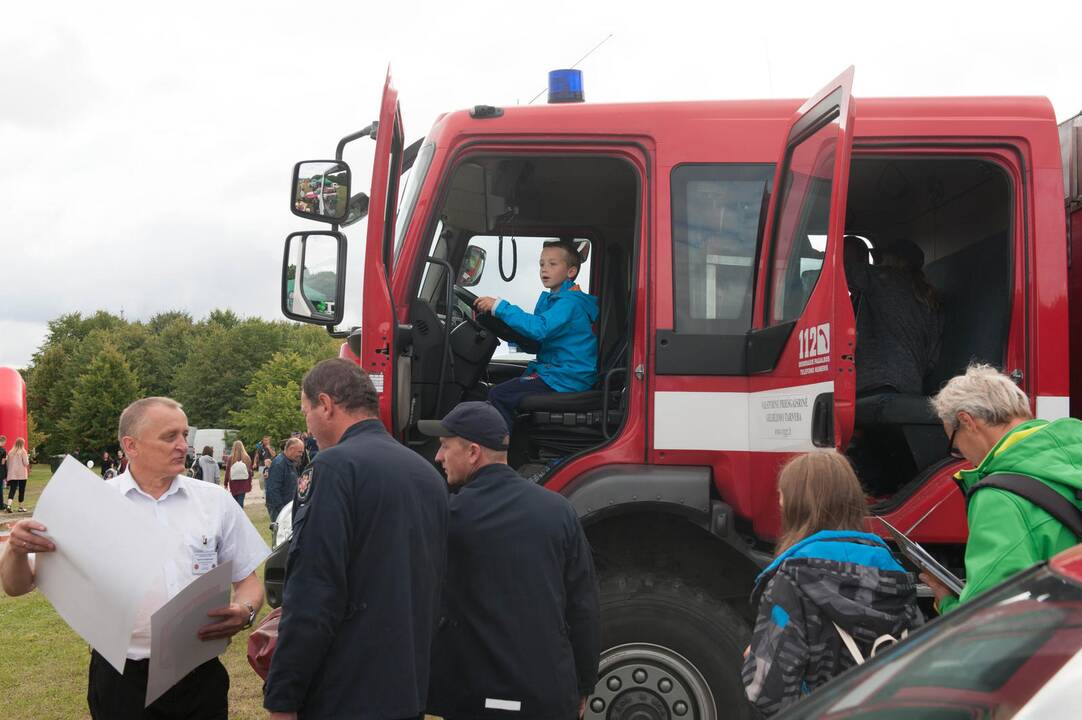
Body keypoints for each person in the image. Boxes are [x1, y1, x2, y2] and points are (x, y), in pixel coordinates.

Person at [0, 397, 270, 719]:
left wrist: (246, 610)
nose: (183, 445)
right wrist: (16, 551)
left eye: (185, 435)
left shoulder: (214, 501)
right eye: (170, 437)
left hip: (200, 675)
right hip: (122, 680)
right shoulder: (90, 505)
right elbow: (17, 586)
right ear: (131, 445)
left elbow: (249, 581)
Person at [264, 359, 449, 720]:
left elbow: (314, 590)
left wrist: (283, 696)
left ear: (326, 404)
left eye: (306, 413)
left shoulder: (334, 468)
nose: (308, 427)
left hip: (346, 691)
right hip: (407, 686)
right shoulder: (426, 473)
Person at [419, 401, 600, 720]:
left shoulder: (449, 516)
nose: (438, 457)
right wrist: (584, 682)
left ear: (473, 452)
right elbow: (583, 606)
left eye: (445, 447)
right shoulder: (559, 511)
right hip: (547, 695)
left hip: (470, 697)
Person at [742, 451, 922, 717]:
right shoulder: (895, 575)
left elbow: (766, 692)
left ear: (796, 505)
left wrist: (753, 660)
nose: (779, 503)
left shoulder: (793, 579)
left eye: (782, 495)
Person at [925, 363, 1082, 614]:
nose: (962, 456)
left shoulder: (1000, 497)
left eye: (955, 445)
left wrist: (946, 603)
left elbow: (990, 618)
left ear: (967, 420)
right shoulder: (1074, 451)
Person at [474, 239, 599, 432]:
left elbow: (539, 328)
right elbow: (536, 341)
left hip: (567, 377)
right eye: (542, 264)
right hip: (557, 372)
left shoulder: (569, 303)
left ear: (571, 272)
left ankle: (496, 450)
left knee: (499, 394)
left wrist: (500, 307)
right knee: (502, 389)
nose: (544, 269)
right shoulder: (555, 301)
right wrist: (510, 331)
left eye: (552, 264)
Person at [844, 237, 943, 396]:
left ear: (894, 260)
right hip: (912, 384)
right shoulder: (928, 297)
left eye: (880, 258)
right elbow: (932, 357)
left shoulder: (883, 278)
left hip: (876, 382)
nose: (877, 262)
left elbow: (842, 269)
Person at [265, 437, 303, 525]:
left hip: (287, 507)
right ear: (291, 449)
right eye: (299, 452)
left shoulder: (290, 462)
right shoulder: (279, 464)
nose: (301, 454)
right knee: (281, 535)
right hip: (279, 509)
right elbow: (273, 489)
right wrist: (282, 510)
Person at [4, 438, 30, 513]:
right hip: (22, 474)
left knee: (12, 490)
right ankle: (20, 507)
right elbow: (26, 463)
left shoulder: (10, 452)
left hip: (12, 474)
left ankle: (9, 505)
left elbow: (8, 464)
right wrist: (27, 457)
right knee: (21, 490)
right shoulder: (23, 451)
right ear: (22, 444)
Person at [225, 439, 252, 507]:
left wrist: (225, 483)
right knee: (240, 502)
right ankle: (240, 516)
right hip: (244, 483)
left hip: (233, 483)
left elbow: (228, 472)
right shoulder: (247, 458)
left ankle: (236, 516)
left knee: (235, 503)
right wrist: (249, 483)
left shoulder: (231, 458)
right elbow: (250, 472)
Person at [0, 434, 7, 511]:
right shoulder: (3, 450)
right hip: (0, 470)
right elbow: (3, 463)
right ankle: (1, 504)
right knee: (0, 488)